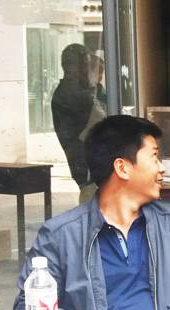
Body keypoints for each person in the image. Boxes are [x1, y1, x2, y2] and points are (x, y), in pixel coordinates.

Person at [13, 115, 170, 310]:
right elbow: (26, 305)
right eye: (154, 157)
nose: (162, 168)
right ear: (122, 168)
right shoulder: (60, 235)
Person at [51, 44, 107, 203]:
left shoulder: (82, 90)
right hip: (85, 161)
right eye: (85, 65)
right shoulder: (70, 93)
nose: (86, 70)